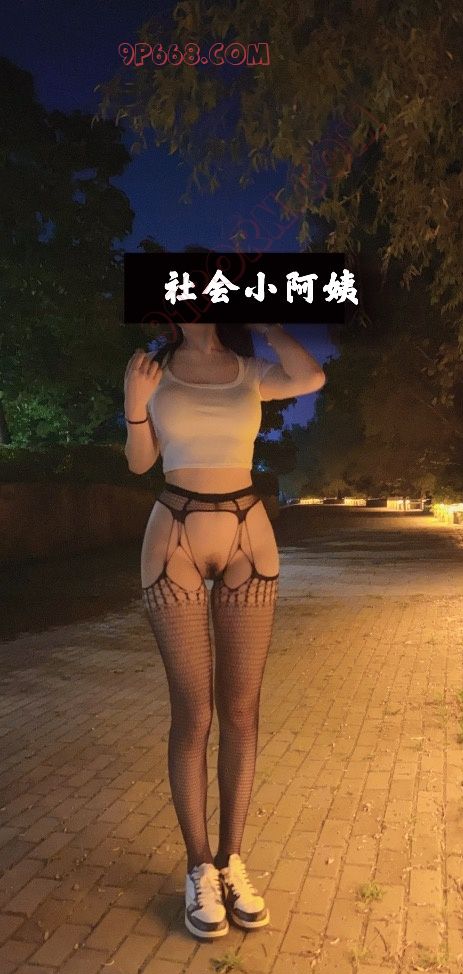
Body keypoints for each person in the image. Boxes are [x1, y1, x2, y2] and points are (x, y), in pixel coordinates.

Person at [123, 320, 325, 940]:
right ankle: (198, 869)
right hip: (174, 534)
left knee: (241, 709)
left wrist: (267, 320)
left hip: (247, 534)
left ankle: (232, 860)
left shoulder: (249, 371)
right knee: (194, 713)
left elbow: (311, 376)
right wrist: (134, 405)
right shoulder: (151, 369)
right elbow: (140, 462)